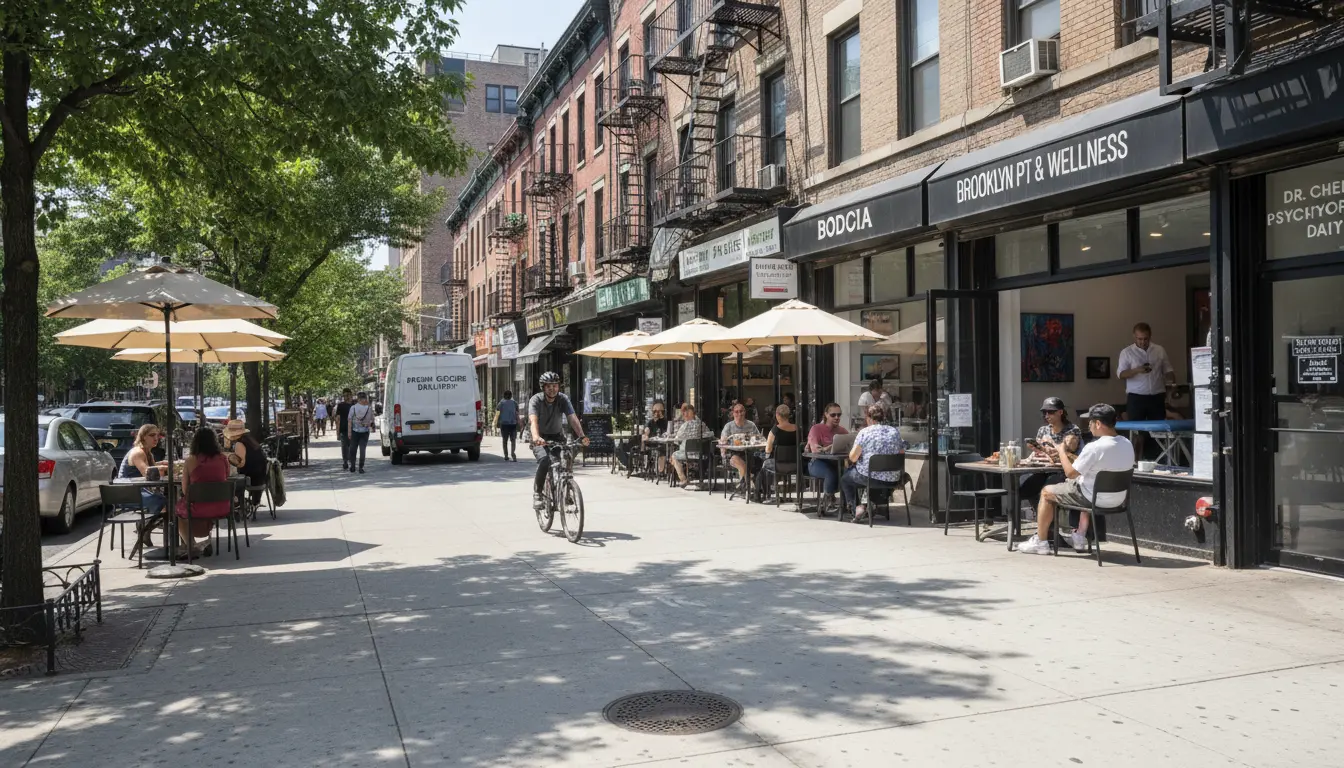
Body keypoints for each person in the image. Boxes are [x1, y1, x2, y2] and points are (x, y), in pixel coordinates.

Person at [1018, 403, 1135, 555]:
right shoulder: (1127, 443)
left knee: (1047, 492)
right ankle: (1079, 536)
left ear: (1098, 423)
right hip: (1119, 499)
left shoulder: (1095, 447)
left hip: (1093, 498)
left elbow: (1071, 473)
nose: (1089, 426)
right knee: (1082, 482)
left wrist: (1061, 450)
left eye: (1090, 422)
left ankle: (1041, 541)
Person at [527, 372, 588, 509]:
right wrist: (536, 437)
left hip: (557, 436)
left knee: (567, 458)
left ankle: (566, 492)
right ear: (543, 387)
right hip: (540, 437)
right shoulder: (536, 400)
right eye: (549, 386)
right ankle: (538, 493)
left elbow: (572, 418)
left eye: (555, 386)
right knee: (545, 460)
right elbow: (533, 420)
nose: (552, 389)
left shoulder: (563, 399)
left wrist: (582, 436)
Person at [1117, 322, 1175, 460]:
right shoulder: (1127, 352)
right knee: (1137, 431)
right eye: (1139, 339)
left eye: (1145, 339)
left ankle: (1158, 460)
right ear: (1134, 337)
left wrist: (1172, 384)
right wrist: (1137, 370)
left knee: (1159, 430)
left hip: (1156, 396)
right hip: (1136, 397)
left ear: (1150, 337)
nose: (1143, 342)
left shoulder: (1159, 350)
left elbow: (1168, 370)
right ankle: (1135, 461)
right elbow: (1120, 374)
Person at [840, 404, 905, 523]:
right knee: (875, 474)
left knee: (846, 478)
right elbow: (901, 453)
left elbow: (853, 458)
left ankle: (855, 509)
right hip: (893, 479)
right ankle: (869, 505)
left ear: (869, 418)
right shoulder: (894, 431)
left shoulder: (864, 432)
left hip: (870, 478)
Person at [1019, 397, 1083, 512]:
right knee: (1023, 486)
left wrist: (1054, 445)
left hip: (1062, 471)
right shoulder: (1043, 430)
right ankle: (1039, 516)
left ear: (1060, 412)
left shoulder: (1072, 429)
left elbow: (1072, 446)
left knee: (1047, 488)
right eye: (1045, 412)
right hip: (1043, 470)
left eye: (1050, 412)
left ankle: (1049, 524)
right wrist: (1037, 450)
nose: (1047, 415)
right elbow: (1039, 453)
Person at [176, 427, 232, 557]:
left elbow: (185, 490)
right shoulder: (223, 459)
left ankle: (191, 546)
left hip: (198, 508)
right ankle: (205, 542)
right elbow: (225, 478)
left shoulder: (191, 460)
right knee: (200, 506)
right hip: (222, 506)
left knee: (179, 511)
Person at [806, 403, 849, 513]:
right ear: (826, 415)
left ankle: (850, 503)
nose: (836, 417)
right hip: (817, 462)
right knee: (830, 473)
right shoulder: (816, 429)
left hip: (836, 463)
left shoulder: (842, 431)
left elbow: (850, 446)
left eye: (839, 415)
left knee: (849, 473)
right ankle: (828, 500)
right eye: (833, 415)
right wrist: (830, 447)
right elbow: (815, 449)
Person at [117, 424, 168, 517]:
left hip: (136, 491)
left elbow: (154, 468)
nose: (156, 438)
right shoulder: (138, 452)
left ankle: (150, 523)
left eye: (157, 435)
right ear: (143, 437)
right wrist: (168, 468)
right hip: (127, 494)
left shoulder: (148, 452)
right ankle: (147, 525)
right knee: (164, 501)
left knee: (166, 499)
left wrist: (164, 464)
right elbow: (148, 473)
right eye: (152, 435)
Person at [755, 404, 799, 501]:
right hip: (796, 465)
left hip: (779, 465)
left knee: (764, 465)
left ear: (777, 415)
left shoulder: (775, 430)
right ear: (788, 415)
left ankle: (763, 493)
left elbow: (768, 449)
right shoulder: (797, 428)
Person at [222, 419, 267, 505]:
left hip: (251, 478)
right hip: (261, 476)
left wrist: (230, 459)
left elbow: (241, 463)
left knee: (231, 480)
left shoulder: (240, 444)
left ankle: (237, 504)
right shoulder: (251, 441)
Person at [719, 402, 762, 492]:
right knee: (738, 461)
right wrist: (723, 446)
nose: (739, 414)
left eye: (741, 411)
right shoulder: (729, 426)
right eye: (737, 412)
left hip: (748, 452)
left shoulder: (751, 425)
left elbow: (759, 438)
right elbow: (723, 441)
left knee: (758, 460)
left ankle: (744, 485)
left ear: (745, 412)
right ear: (733, 413)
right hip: (732, 453)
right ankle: (749, 480)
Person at [669, 403, 711, 488]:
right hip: (700, 454)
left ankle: (683, 479)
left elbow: (677, 440)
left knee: (673, 456)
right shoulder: (701, 424)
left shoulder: (684, 425)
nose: (685, 414)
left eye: (686, 412)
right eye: (684, 412)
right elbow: (709, 434)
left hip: (686, 454)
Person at [347, 391, 375, 473]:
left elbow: (349, 420)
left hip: (355, 431)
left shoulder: (353, 408)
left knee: (353, 449)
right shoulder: (369, 408)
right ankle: (361, 467)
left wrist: (349, 432)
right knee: (363, 449)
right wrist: (371, 427)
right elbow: (372, 420)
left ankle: (352, 466)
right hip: (365, 431)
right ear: (365, 398)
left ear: (358, 399)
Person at [642, 401, 670, 476]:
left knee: (663, 449)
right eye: (655, 410)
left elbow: (668, 431)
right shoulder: (650, 422)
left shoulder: (666, 421)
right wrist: (646, 433)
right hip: (652, 443)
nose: (657, 413)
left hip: (662, 442)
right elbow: (646, 430)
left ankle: (661, 471)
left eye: (660, 410)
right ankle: (648, 466)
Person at [496, 390, 519, 461]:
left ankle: (506, 455)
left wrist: (497, 422)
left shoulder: (501, 403)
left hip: (504, 424)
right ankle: (513, 454)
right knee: (513, 440)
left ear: (504, 396)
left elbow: (497, 412)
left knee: (505, 440)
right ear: (511, 396)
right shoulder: (515, 403)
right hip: (513, 424)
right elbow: (517, 413)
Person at [335, 388, 354, 470]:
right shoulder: (340, 405)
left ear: (351, 395)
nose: (346, 397)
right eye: (345, 395)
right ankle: (345, 461)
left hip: (354, 429)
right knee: (344, 446)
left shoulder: (354, 405)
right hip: (343, 429)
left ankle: (351, 461)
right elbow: (338, 419)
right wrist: (337, 432)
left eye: (348, 395)